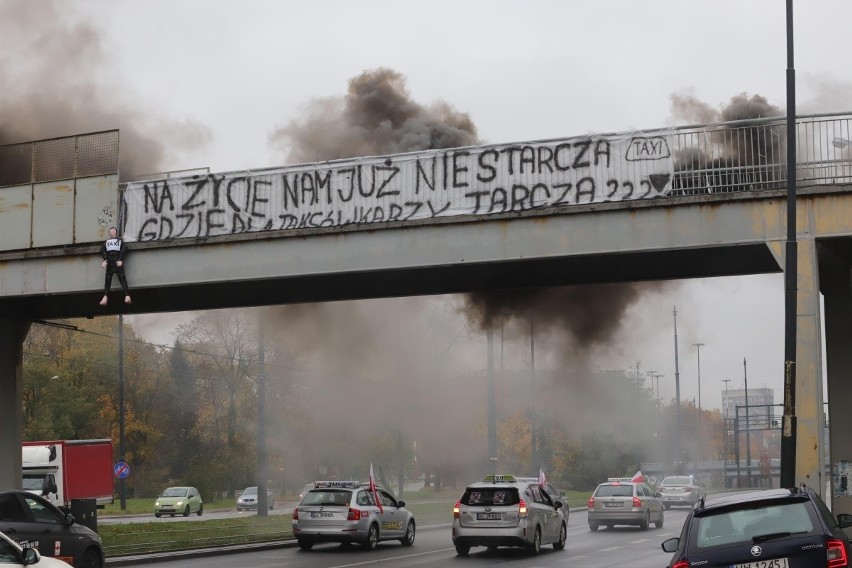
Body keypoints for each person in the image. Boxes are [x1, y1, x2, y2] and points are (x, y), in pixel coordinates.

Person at [99, 226, 131, 306]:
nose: (112, 233)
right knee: (108, 279)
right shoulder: (107, 243)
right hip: (110, 263)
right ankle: (105, 296)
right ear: (109, 233)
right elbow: (102, 250)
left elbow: (124, 248)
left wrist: (120, 259)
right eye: (111, 232)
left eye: (113, 232)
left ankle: (127, 295)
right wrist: (105, 260)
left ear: (116, 232)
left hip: (116, 262)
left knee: (122, 278)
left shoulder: (119, 241)